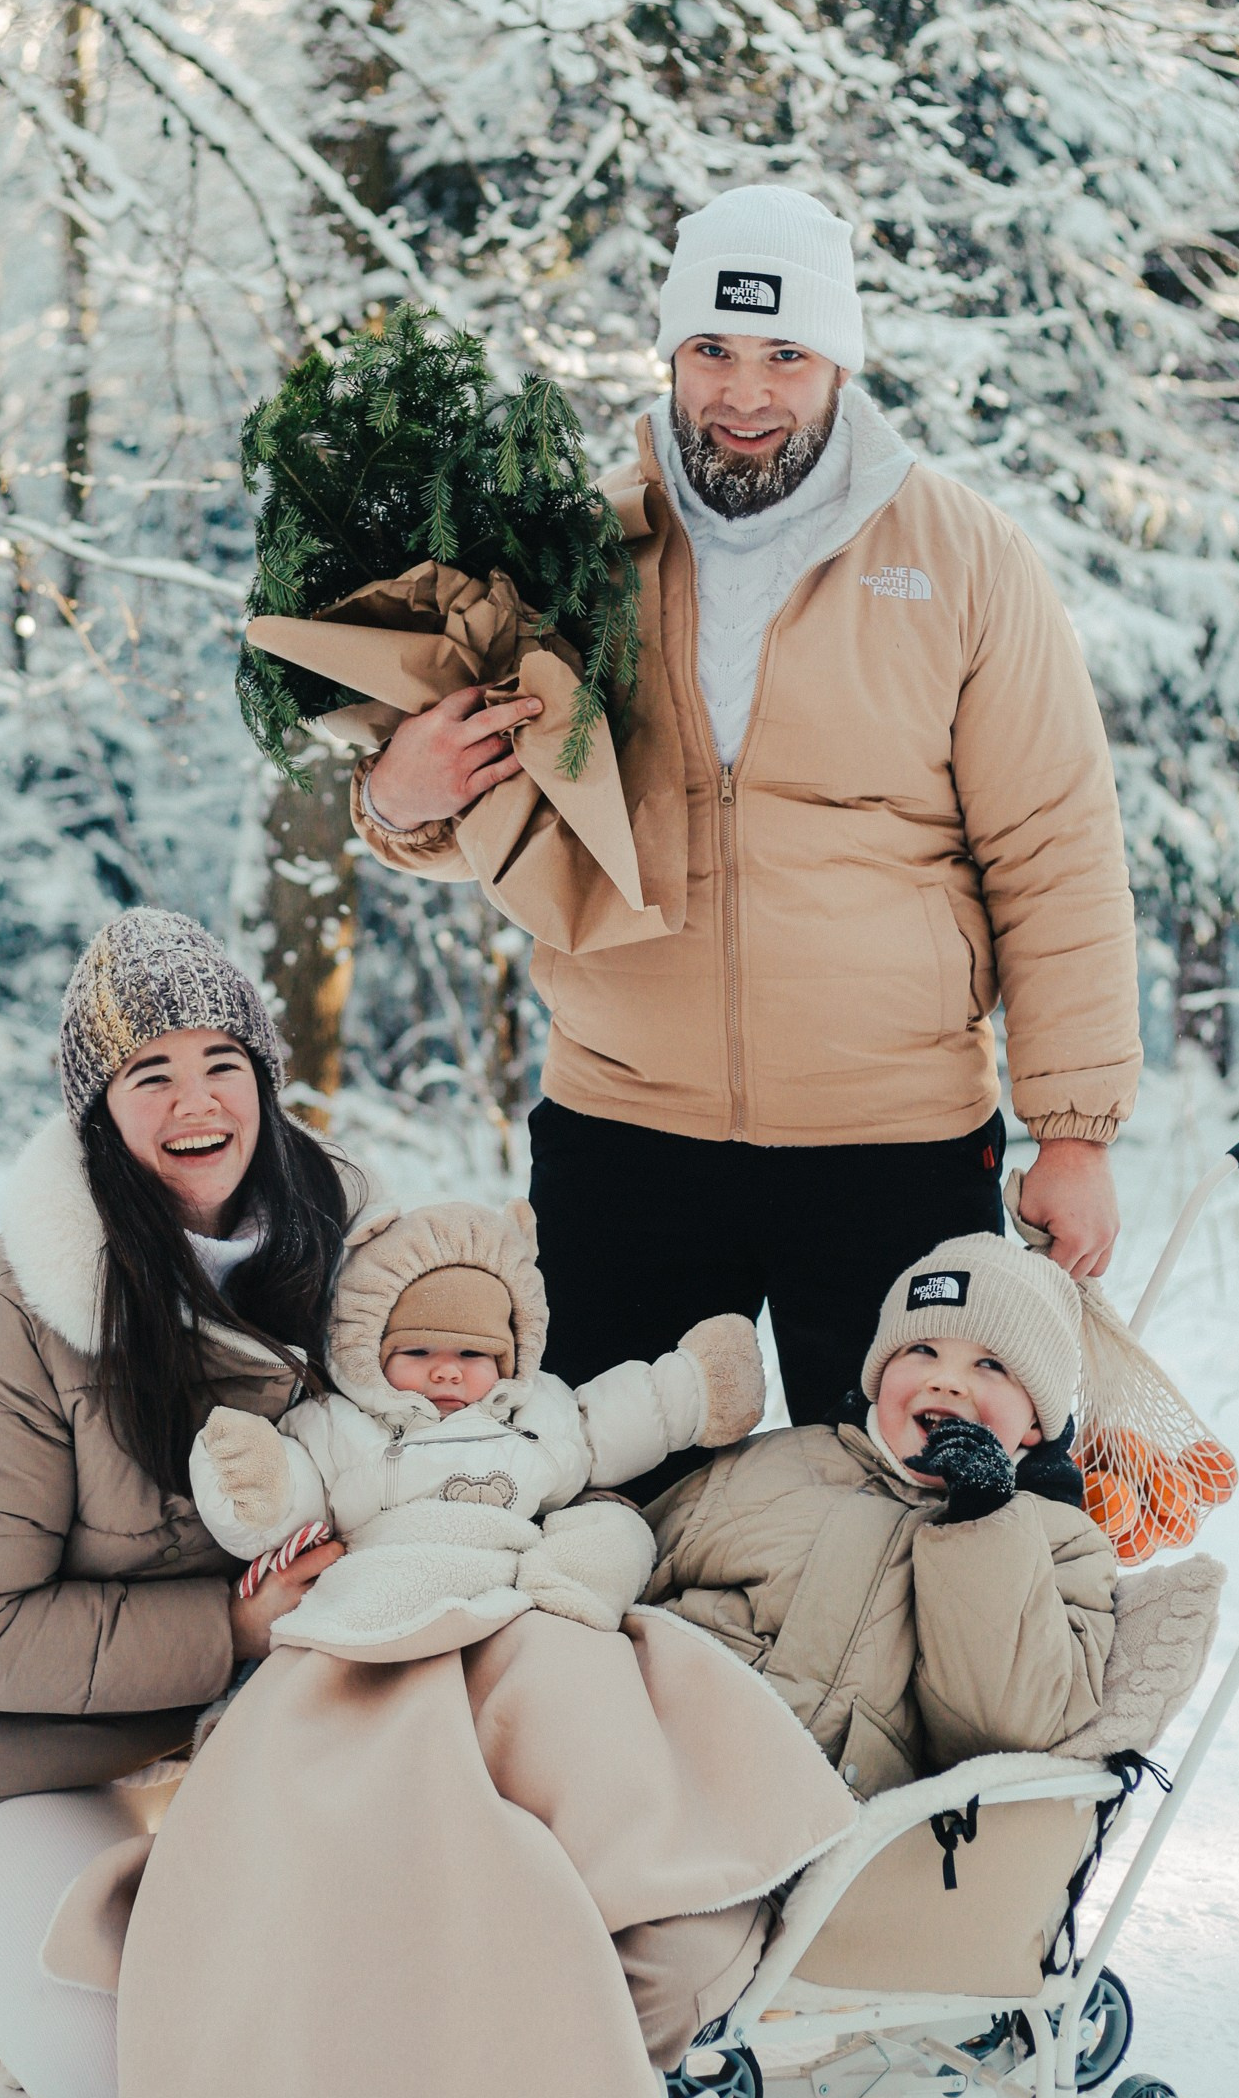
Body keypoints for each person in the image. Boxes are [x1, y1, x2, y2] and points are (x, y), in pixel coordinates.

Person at [351, 182, 1141, 1436]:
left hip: (894, 1139)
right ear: (669, 352)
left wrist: (1076, 1130)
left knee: (896, 1521)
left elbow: (1054, 853)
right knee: (609, 1513)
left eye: (786, 353)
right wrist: (397, 800)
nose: (744, 392)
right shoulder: (569, 546)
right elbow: (493, 808)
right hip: (623, 1128)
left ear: (839, 361)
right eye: (712, 349)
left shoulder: (961, 556)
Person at [0, 906, 359, 2098]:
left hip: (237, 1720)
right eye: (149, 1072)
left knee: (328, 2002)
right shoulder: (11, 1308)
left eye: (222, 1061)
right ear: (97, 1112)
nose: (195, 1101)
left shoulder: (352, 1254)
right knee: (139, 2080)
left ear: (265, 1082)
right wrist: (229, 1627)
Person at [642, 1232, 1119, 1793]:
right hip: (659, 1743)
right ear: (880, 1371)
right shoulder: (775, 1461)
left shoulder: (1061, 1543)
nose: (946, 1379)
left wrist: (984, 1523)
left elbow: (1008, 1726)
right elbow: (641, 1562)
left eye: (990, 1364)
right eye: (922, 1350)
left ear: (1037, 1422)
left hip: (818, 1807)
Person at [188, 1195, 764, 1654]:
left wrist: (693, 1388)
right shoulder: (340, 1424)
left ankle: (571, 1622)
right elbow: (299, 1491)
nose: (445, 1372)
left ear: (508, 1357)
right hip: (389, 1571)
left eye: (471, 1355)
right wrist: (256, 1483)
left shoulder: (538, 1412)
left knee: (616, 1527)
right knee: (360, 1594)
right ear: (370, 1353)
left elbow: (613, 1421)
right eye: (417, 1352)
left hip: (518, 1574)